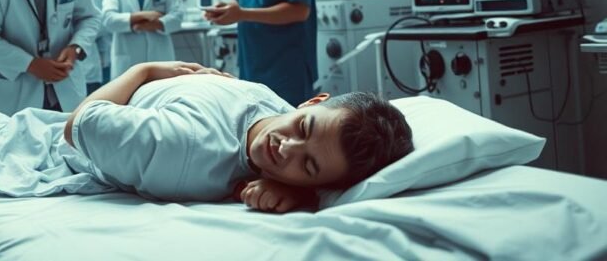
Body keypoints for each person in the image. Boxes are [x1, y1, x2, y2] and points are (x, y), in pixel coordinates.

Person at [64, 62, 413, 212]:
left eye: (308, 166)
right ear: (311, 101)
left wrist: (298, 192)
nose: (286, 147)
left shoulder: (272, 104)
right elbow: (75, 125)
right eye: (303, 127)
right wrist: (143, 70)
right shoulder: (181, 148)